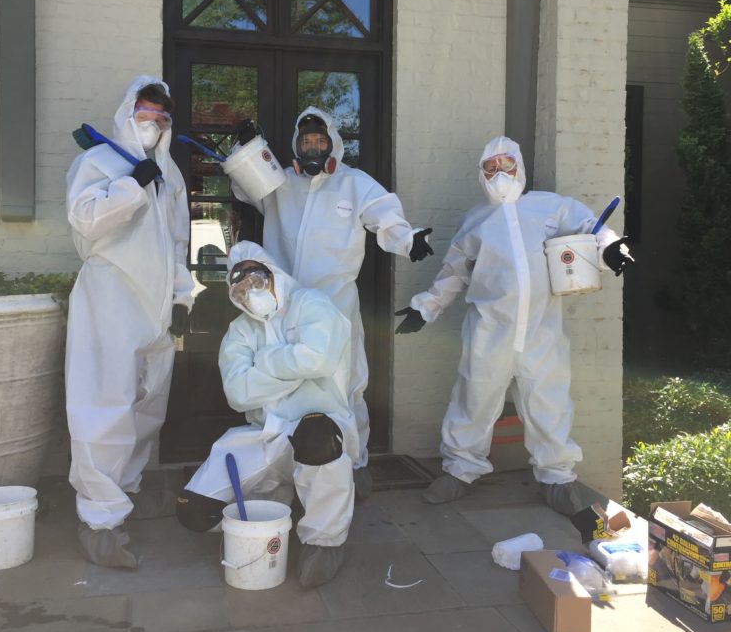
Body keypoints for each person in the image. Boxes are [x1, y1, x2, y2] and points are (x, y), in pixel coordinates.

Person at [395, 136, 633, 515]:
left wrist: (609, 246)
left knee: (549, 401)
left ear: (519, 166)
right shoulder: (475, 221)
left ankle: (556, 477)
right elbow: (454, 272)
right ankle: (460, 469)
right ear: (481, 174)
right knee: (474, 398)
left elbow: (590, 224)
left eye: (506, 164)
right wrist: (425, 308)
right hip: (490, 329)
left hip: (542, 328)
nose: (499, 173)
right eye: (490, 167)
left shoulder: (548, 207)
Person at [229, 107, 433, 499]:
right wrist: (246, 148)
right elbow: (244, 186)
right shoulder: (279, 182)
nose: (313, 147)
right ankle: (282, 464)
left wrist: (409, 240)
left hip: (335, 304)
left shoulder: (354, 184)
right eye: (306, 141)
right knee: (280, 381)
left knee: (346, 381)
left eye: (320, 141)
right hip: (282, 305)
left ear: (333, 143)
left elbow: (383, 216)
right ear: (296, 145)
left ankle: (354, 464)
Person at [65, 75, 193, 568]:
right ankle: (99, 521)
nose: (153, 123)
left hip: (156, 307)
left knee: (146, 409)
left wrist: (182, 299)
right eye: (145, 113)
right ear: (128, 113)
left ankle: (125, 496)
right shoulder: (97, 162)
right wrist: (130, 184)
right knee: (104, 406)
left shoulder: (171, 174)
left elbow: (177, 243)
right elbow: (86, 220)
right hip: (111, 299)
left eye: (162, 117)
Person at [175, 241, 357, 588]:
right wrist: (294, 362)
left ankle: (324, 541)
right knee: (193, 511)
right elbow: (238, 394)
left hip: (317, 427)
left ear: (274, 275)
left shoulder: (311, 304)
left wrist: (264, 361)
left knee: (316, 436)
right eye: (240, 288)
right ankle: (273, 506)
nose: (251, 292)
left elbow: (320, 359)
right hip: (263, 434)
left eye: (257, 279)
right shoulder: (241, 330)